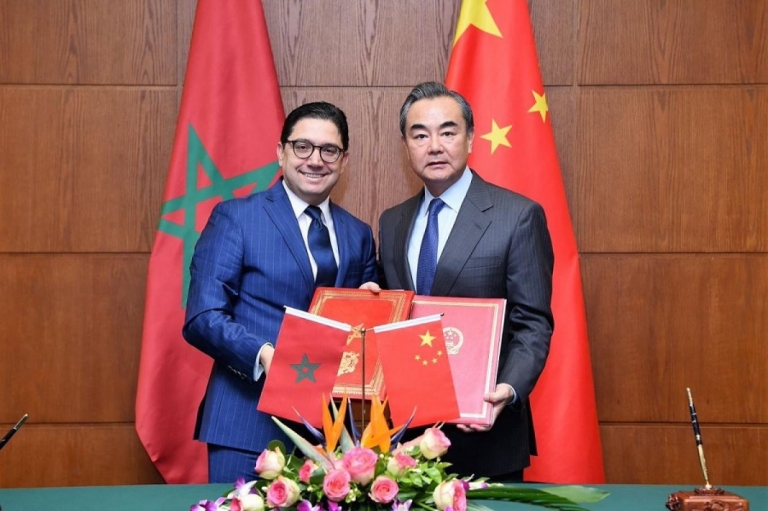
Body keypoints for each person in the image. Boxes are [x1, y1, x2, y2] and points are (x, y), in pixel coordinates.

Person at [183, 101, 378, 483]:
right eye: (302, 147)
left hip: (333, 435)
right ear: (281, 152)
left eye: (329, 150)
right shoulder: (237, 217)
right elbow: (203, 317)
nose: (315, 160)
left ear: (344, 161)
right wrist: (265, 355)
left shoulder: (358, 234)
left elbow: (363, 333)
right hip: (247, 424)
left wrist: (373, 306)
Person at [369, 82, 554, 481]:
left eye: (448, 132)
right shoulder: (393, 221)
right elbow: (398, 313)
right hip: (407, 439)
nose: (435, 146)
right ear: (406, 145)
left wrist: (509, 387)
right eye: (420, 135)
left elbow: (533, 322)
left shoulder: (517, 216)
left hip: (486, 436)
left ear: (470, 138)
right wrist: (374, 303)